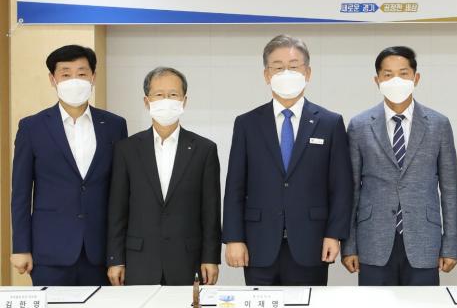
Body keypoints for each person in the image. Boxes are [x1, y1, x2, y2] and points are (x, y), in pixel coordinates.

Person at [222, 35, 353, 286]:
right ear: (266, 75)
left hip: (311, 243)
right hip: (258, 243)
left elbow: (341, 187)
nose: (286, 73)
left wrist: (334, 234)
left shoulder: (330, 123)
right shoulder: (247, 123)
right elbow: (235, 186)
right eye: (278, 67)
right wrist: (234, 238)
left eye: (293, 67)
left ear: (308, 72)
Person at [341, 46, 457, 286]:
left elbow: (449, 190)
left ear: (416, 78)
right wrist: (349, 245)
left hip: (424, 238)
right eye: (388, 74)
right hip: (373, 239)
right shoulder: (359, 125)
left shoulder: (438, 124)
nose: (396, 80)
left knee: (422, 307)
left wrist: (451, 245)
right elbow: (351, 190)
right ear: (377, 81)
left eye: (403, 74)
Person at [11, 45, 128, 286]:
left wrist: (118, 254)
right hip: (49, 252)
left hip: (100, 253)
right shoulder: (32, 127)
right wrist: (21, 247)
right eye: (65, 74)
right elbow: (21, 193)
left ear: (93, 77)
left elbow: (120, 191)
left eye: (82, 73)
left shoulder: (114, 125)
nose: (74, 80)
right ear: (52, 79)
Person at [107, 67, 221, 286]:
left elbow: (211, 210)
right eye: (159, 95)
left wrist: (210, 257)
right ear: (146, 101)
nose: (166, 101)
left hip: (187, 259)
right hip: (138, 258)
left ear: (184, 101)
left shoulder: (204, 149)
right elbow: (117, 209)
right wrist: (115, 259)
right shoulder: (127, 149)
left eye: (173, 94)